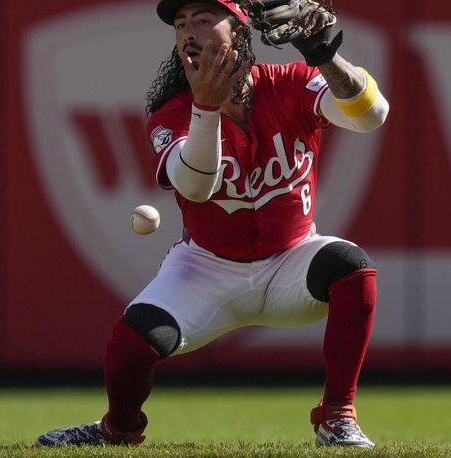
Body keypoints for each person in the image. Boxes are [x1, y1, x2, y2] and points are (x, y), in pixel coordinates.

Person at [37, 0, 389, 448]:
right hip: (207, 268)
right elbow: (198, 187)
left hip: (291, 261)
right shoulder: (172, 114)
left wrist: (326, 58)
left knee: (352, 266)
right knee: (129, 349)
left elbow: (372, 115)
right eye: (181, 24)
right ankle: (117, 428)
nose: (188, 31)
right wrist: (205, 108)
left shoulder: (291, 83)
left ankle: (337, 415)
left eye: (203, 20)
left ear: (240, 32)